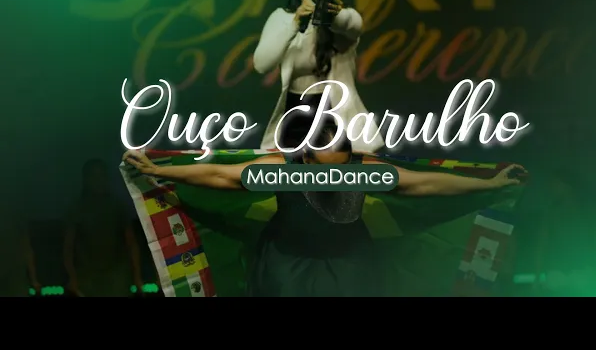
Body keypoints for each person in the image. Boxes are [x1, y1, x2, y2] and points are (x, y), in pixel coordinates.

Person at [123, 125, 525, 297]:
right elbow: (221, 175)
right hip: (287, 267)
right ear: (308, 150)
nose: (334, 150)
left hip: (348, 266)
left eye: (339, 142)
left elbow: (424, 183)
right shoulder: (284, 170)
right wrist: (159, 171)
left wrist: (491, 185)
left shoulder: (363, 170)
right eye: (323, 143)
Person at [253, 0, 384, 153]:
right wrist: (295, 24)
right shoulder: (282, 18)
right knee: (289, 170)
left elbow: (354, 25)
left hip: (333, 112)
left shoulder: (341, 19)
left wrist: (334, 14)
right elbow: (261, 64)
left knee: (335, 169)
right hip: (295, 111)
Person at [64, 158, 144, 297]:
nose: (99, 180)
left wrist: (137, 277)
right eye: (94, 176)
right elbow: (68, 247)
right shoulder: (76, 209)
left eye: (102, 176)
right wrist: (72, 278)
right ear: (86, 179)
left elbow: (131, 243)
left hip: (117, 276)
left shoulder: (117, 206)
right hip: (88, 277)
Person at [533, 170, 596, 296]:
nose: (552, 187)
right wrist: (537, 276)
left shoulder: (588, 211)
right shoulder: (551, 213)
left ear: (568, 186)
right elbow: (542, 245)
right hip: (558, 270)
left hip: (583, 270)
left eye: (556, 183)